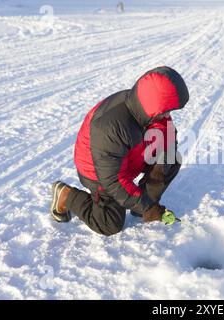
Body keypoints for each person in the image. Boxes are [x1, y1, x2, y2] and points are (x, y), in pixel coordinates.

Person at [50, 66, 189, 236]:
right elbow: (114, 181)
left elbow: (167, 136)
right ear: (155, 104)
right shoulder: (110, 127)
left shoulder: (150, 110)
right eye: (167, 110)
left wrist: (162, 165)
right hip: (98, 173)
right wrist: (148, 206)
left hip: (128, 160)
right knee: (110, 224)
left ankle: (141, 206)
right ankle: (66, 195)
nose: (168, 115)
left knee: (171, 160)